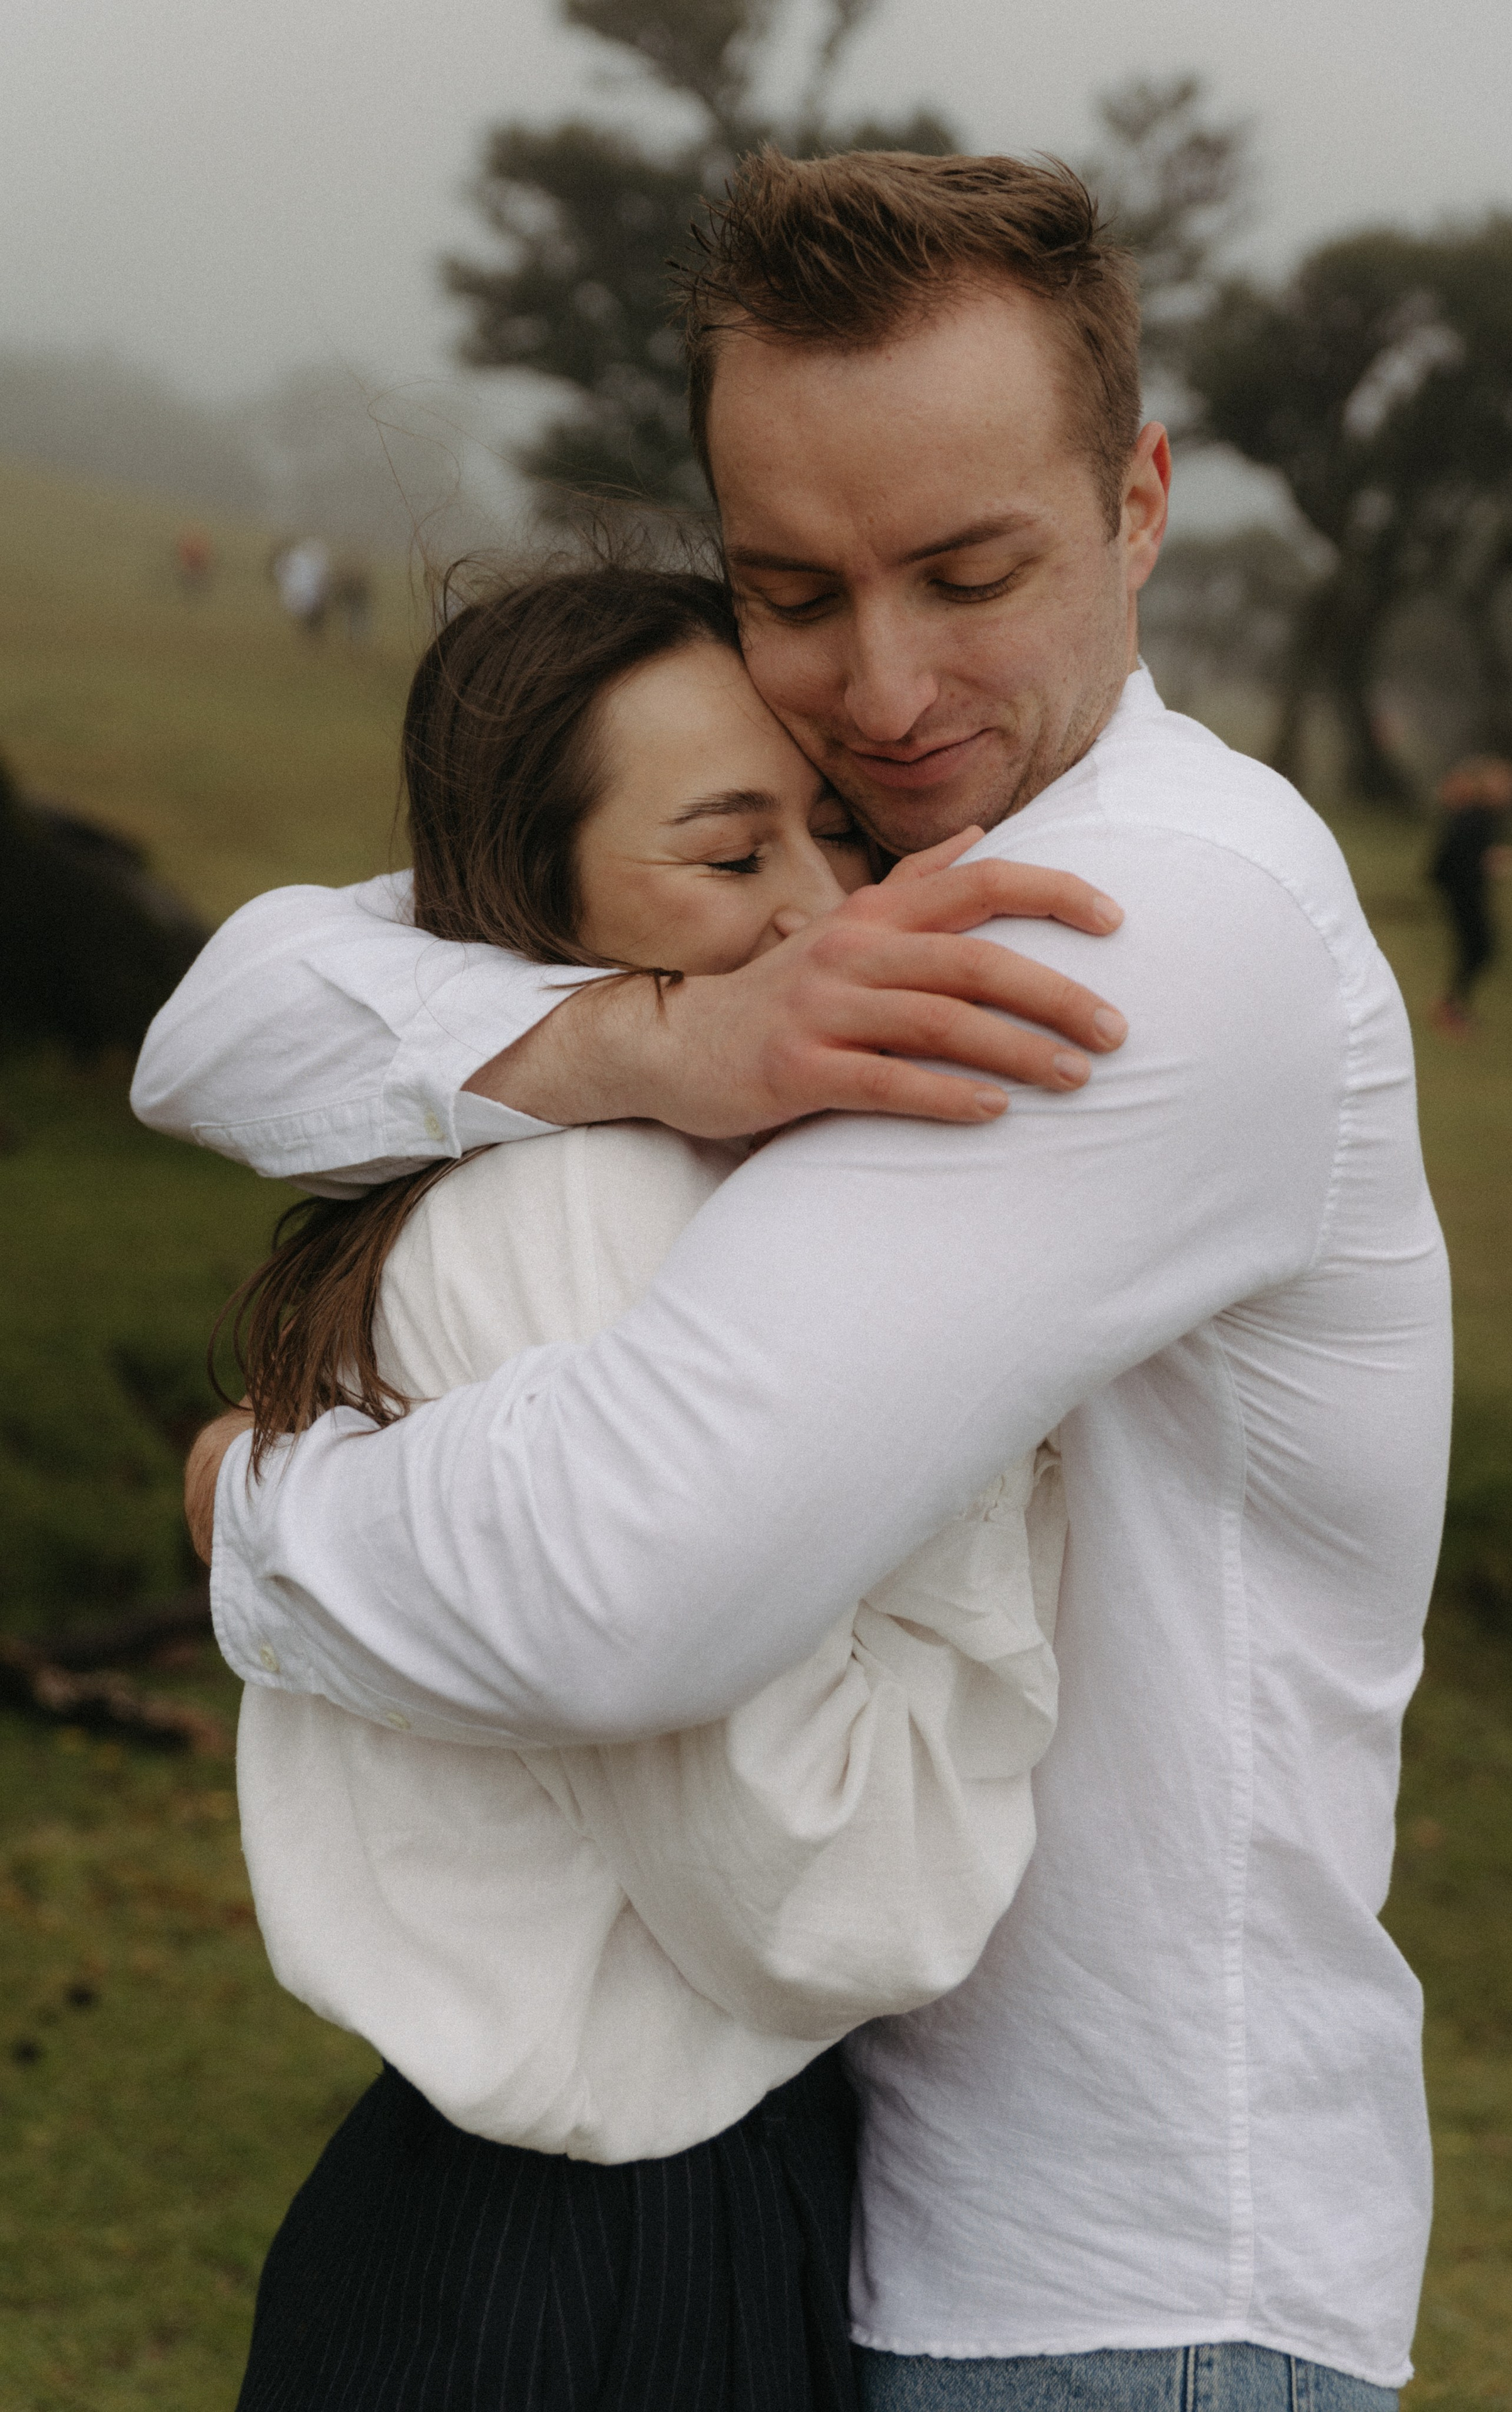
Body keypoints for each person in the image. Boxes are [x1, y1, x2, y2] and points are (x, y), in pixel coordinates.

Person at [149, 151, 1451, 2409]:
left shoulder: (1133, 926)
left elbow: (619, 1578)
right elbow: (234, 1017)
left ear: (1137, 504)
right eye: (790, 589)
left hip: (1112, 2283)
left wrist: (246, 1505)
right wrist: (647, 1038)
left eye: (968, 574)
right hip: (860, 2215)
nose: (882, 687)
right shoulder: (857, 874)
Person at [223, 561, 1065, 2411]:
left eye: (834, 828)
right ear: (537, 907)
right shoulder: (576, 1208)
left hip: (678, 2201)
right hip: (571, 2259)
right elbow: (822, 1894)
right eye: (730, 851)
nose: (823, 905)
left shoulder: (690, 1179)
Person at [1428, 753, 1512, 1033]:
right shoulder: (1475, 817)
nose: (1508, 792)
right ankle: (1450, 1008)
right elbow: (1452, 857)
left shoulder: (1481, 816)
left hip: (1466, 891)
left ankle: (1452, 1005)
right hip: (1462, 893)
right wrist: (1488, 863)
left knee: (1478, 949)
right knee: (1478, 948)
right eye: (1502, 784)